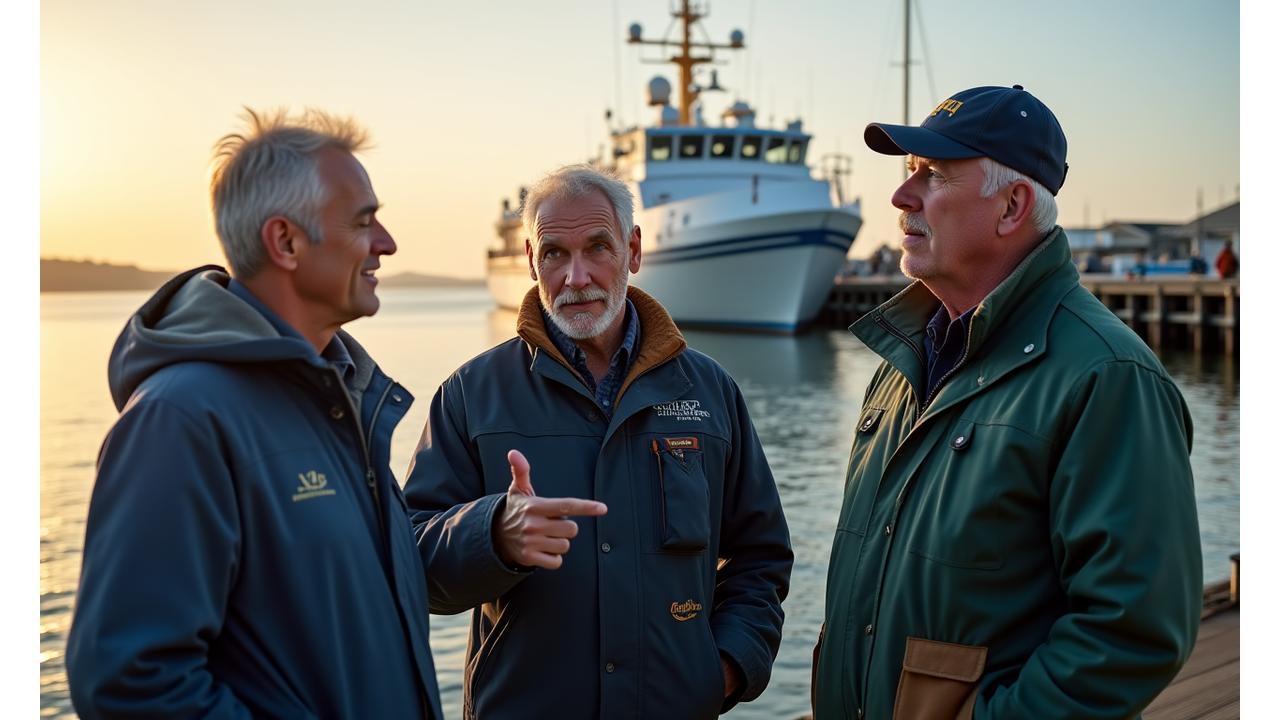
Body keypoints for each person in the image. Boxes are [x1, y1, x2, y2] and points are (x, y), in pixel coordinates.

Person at [811, 85, 1202, 719]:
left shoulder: (1107, 377)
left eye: (933, 176)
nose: (900, 196)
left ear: (1012, 205)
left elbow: (1132, 632)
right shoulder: (903, 364)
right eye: (908, 172)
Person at [65, 109, 444, 719]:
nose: (387, 243)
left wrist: (490, 536)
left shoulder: (342, 402)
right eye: (363, 221)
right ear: (286, 242)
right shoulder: (179, 420)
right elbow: (129, 681)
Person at [403, 164, 793, 719]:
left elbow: (760, 555)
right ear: (531, 259)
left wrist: (727, 668)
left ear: (633, 250)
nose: (576, 276)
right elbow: (409, 561)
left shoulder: (711, 392)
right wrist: (492, 533)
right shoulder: (470, 395)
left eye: (597, 247)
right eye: (555, 253)